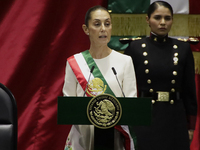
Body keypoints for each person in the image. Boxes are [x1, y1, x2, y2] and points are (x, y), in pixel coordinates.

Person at [124, 1, 197, 150]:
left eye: (167, 18)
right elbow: (126, 88)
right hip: (145, 117)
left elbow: (189, 90)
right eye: (157, 17)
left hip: (174, 116)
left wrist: (190, 126)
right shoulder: (135, 48)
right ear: (147, 20)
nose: (163, 22)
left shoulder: (183, 49)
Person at [62, 5, 137, 150]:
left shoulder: (125, 61)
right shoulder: (75, 62)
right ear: (86, 29)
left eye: (107, 24)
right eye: (97, 24)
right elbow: (69, 105)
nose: (103, 28)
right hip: (83, 137)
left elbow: (131, 105)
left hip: (115, 136)